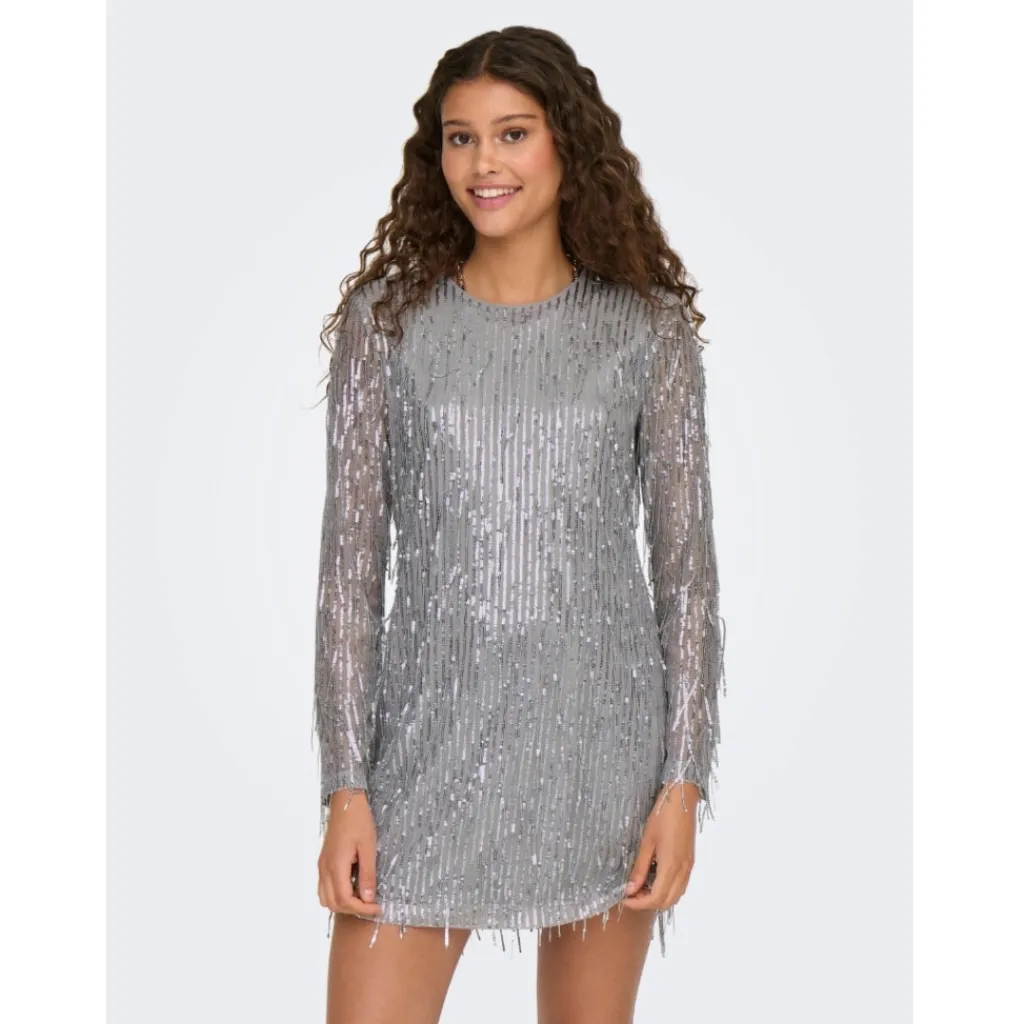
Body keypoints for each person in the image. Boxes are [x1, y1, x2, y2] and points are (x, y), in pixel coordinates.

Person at [311, 25, 726, 1024]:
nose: (483, 163)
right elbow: (349, 572)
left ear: (565, 144)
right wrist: (345, 785)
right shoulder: (386, 324)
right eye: (460, 138)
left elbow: (686, 575)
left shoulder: (645, 328)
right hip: (428, 752)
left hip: (603, 750)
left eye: (512, 133)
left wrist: (681, 783)